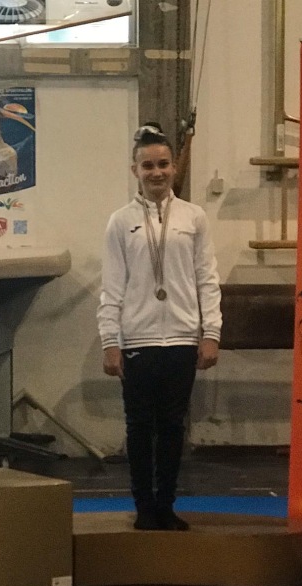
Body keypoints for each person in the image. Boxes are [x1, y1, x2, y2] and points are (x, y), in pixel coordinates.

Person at [97, 122, 222, 530]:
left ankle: (166, 505)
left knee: (171, 426)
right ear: (135, 170)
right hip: (138, 338)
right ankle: (143, 507)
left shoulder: (194, 217)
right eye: (148, 165)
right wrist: (110, 340)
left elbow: (207, 279)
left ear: (174, 168)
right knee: (138, 426)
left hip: (183, 338)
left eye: (163, 164)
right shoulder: (120, 222)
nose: (157, 172)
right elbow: (112, 286)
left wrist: (211, 333)